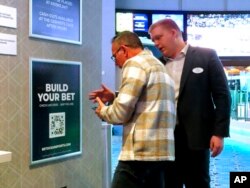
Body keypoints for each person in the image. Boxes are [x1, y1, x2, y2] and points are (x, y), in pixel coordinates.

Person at [148, 19, 232, 188]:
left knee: (198, 183)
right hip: (166, 139)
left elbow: (222, 96)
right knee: (170, 183)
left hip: (197, 136)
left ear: (174, 33)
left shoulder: (206, 56)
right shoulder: (157, 64)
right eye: (153, 40)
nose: (156, 43)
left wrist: (219, 133)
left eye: (158, 38)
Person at [89, 31, 176, 188]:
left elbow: (120, 113)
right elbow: (148, 102)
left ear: (123, 50)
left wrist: (103, 111)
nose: (115, 62)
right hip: (161, 153)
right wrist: (115, 97)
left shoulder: (135, 63)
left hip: (139, 154)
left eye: (114, 56)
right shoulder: (159, 66)